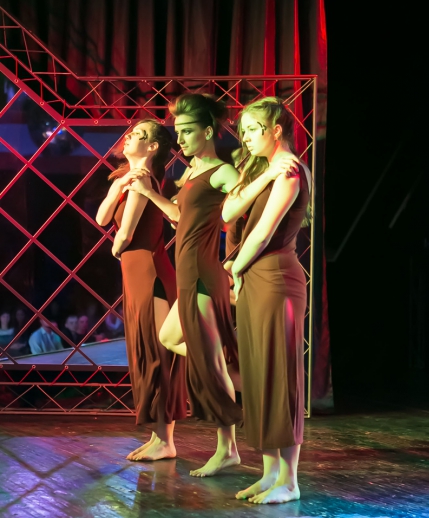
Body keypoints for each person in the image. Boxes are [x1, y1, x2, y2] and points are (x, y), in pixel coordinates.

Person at [127, 93, 299, 477]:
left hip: (204, 273)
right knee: (171, 338)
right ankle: (245, 381)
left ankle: (228, 447)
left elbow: (241, 212)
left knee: (205, 357)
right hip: (188, 271)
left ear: (207, 132)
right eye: (177, 132)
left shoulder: (221, 171)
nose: (180, 139)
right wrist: (150, 194)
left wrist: (235, 258)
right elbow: (179, 217)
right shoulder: (191, 172)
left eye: (187, 131)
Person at [222, 97, 311, 504]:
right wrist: (263, 177)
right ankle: (270, 472)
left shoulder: (290, 170)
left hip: (275, 278)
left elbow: (262, 233)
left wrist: (236, 269)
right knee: (258, 374)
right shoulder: (263, 169)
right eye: (242, 131)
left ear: (275, 130)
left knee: (280, 375)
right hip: (255, 277)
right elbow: (228, 213)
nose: (245, 138)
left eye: (252, 129)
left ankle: (289, 481)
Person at [96, 119, 187, 461]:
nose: (128, 136)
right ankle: (158, 436)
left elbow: (125, 233)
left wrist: (117, 247)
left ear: (152, 147)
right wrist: (119, 185)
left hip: (149, 273)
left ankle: (165, 440)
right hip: (137, 273)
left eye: (137, 134)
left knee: (157, 354)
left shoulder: (145, 180)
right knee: (146, 353)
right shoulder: (128, 179)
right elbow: (102, 218)